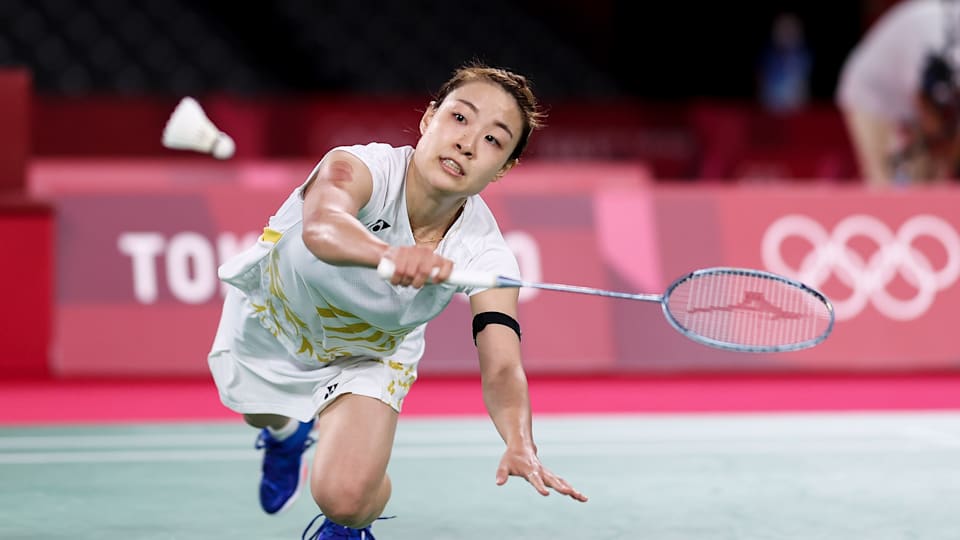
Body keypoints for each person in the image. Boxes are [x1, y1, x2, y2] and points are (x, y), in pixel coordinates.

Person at [207, 62, 588, 539]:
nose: (467, 143)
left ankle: (350, 527)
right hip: (276, 317)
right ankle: (285, 437)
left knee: (345, 498)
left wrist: (519, 440)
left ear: (505, 167)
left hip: (369, 351)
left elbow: (503, 367)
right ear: (429, 119)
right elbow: (323, 228)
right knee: (261, 411)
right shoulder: (357, 166)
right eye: (460, 118)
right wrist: (389, 256)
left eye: (494, 140)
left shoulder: (485, 254)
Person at [836, 0, 960, 186]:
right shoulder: (933, 30)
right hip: (873, 94)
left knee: (933, 177)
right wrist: (944, 140)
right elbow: (922, 99)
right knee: (889, 182)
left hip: (917, 95)